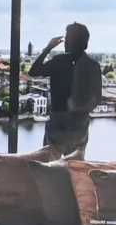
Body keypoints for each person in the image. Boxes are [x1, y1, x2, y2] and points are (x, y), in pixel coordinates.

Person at [31, 21, 104, 159]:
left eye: (67, 38)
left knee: (49, 167)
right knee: (75, 170)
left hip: (58, 124)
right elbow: (98, 98)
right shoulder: (93, 65)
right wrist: (81, 112)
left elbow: (33, 71)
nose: (65, 42)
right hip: (79, 125)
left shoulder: (59, 61)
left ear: (71, 41)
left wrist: (48, 48)